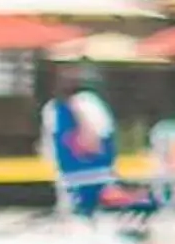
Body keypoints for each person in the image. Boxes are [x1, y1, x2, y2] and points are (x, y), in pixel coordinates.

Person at [41, 69, 120, 221]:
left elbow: (50, 141)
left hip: (69, 172)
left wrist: (52, 166)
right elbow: (103, 134)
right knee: (99, 214)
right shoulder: (91, 102)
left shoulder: (52, 108)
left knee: (75, 215)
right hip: (98, 171)